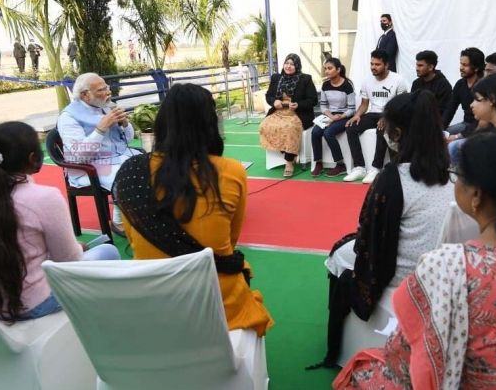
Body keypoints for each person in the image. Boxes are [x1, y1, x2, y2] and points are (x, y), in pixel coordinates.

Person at [334, 129, 496, 389]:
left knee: (361, 371)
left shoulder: (448, 267)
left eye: (457, 174)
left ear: (476, 196)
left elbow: (402, 360)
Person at [310, 90, 455, 370]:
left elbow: (369, 238)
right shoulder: (451, 175)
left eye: (387, 127)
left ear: (397, 133)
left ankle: (337, 343)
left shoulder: (393, 177)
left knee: (338, 255)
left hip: (400, 277)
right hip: (439, 273)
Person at [114, 84, 273, 336]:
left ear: (162, 123)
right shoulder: (231, 171)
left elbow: (133, 240)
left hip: (154, 301)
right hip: (219, 306)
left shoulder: (131, 172)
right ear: (210, 124)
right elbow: (230, 240)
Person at [0, 122, 120, 322]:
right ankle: (106, 320)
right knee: (108, 252)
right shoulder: (45, 198)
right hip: (32, 305)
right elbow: (69, 263)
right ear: (32, 158)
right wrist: (76, 248)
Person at [57, 73, 142, 237]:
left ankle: (144, 217)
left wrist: (125, 124)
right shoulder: (68, 117)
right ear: (85, 95)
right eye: (101, 90)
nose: (108, 92)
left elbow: (129, 139)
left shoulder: (106, 106)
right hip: (90, 167)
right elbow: (80, 155)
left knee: (150, 168)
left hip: (118, 158)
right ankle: (120, 222)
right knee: (127, 177)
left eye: (107, 87)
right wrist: (101, 129)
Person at [343, 50, 409, 183]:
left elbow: (402, 105)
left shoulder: (398, 80)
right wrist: (357, 115)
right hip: (373, 113)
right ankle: (359, 167)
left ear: (386, 65)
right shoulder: (367, 81)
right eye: (372, 64)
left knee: (382, 129)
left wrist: (387, 117)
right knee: (351, 127)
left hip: (391, 114)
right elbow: (364, 104)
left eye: (377, 64)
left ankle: (376, 168)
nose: (373, 67)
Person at [259, 53, 317, 177]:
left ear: (297, 66)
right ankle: (287, 151)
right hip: (278, 111)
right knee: (265, 125)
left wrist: (298, 104)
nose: (288, 66)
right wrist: (274, 102)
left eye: (292, 64)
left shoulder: (305, 79)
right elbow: (269, 95)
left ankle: (289, 162)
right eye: (287, 63)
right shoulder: (276, 78)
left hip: (297, 113)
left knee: (289, 128)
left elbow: (313, 100)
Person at [311, 58, 356, 178]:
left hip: (344, 116)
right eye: (325, 68)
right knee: (315, 132)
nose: (326, 71)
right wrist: (331, 116)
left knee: (328, 133)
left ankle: (340, 165)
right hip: (330, 116)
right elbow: (323, 106)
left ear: (338, 70)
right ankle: (318, 163)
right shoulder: (325, 85)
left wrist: (339, 117)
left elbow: (352, 109)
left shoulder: (347, 85)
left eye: (330, 68)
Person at [442, 47, 484, 135]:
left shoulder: (484, 85)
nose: (461, 68)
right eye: (461, 64)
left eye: (465, 65)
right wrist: (440, 129)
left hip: (482, 127)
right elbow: (450, 109)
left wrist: (460, 136)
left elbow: (484, 119)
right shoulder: (460, 84)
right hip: (465, 124)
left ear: (476, 68)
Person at [410, 50, 452, 115]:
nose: (417, 68)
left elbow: (445, 111)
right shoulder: (416, 83)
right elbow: (411, 105)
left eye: (420, 65)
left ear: (430, 67)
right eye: (417, 65)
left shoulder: (444, 85)